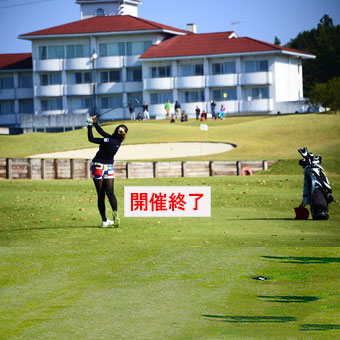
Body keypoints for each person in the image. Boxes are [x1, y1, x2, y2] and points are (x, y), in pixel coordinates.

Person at [87, 115, 128, 228]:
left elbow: (91, 139)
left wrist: (89, 125)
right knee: (110, 193)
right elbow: (103, 133)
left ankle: (105, 221)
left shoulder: (109, 140)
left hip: (98, 166)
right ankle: (115, 214)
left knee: (101, 195)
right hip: (109, 167)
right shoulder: (117, 141)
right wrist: (95, 123)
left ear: (116, 131)